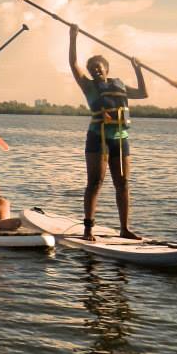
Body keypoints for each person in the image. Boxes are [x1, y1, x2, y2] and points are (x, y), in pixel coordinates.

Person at [68, 23, 147, 241]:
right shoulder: (89, 86)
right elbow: (73, 64)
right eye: (92, 67)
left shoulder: (120, 85)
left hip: (121, 139)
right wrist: (72, 38)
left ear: (107, 69)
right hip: (97, 138)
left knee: (122, 183)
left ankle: (125, 228)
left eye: (98, 66)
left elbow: (143, 93)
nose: (95, 70)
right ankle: (88, 229)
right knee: (95, 182)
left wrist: (137, 68)